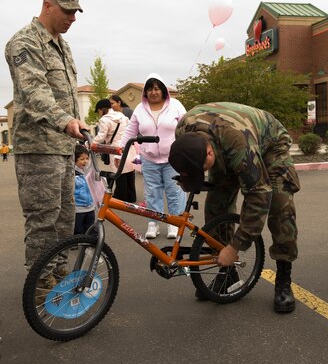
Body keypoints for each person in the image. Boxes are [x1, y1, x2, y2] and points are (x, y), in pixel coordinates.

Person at [168, 102, 300, 313]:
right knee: (215, 205)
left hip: (269, 144)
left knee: (279, 206)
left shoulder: (238, 143)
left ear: (209, 154)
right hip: (225, 143)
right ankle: (227, 275)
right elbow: (188, 161)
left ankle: (284, 277)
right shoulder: (184, 132)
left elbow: (258, 194)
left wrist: (235, 246)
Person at [5, 0, 87, 271]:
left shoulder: (62, 47)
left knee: (66, 218)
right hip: (38, 148)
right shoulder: (25, 41)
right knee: (43, 221)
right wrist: (66, 122)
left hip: (64, 147)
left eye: (76, 12)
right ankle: (40, 284)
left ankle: (58, 273)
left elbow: (67, 97)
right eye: (67, 10)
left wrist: (79, 127)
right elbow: (34, 91)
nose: (72, 18)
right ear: (47, 4)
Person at [120, 73, 186, 239]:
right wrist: (120, 149)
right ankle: (153, 223)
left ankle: (173, 223)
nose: (153, 92)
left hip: (173, 158)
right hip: (149, 158)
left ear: (163, 90)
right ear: (145, 92)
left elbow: (187, 126)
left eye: (157, 88)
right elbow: (130, 131)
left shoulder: (176, 105)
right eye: (150, 89)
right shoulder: (140, 109)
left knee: (174, 191)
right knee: (152, 192)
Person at [93, 99, 136, 202]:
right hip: (128, 147)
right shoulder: (122, 116)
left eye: (98, 111)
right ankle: (131, 197)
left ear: (101, 109)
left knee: (119, 173)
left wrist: (90, 143)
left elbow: (101, 137)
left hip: (115, 148)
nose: (99, 114)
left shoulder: (105, 120)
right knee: (129, 172)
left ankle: (121, 197)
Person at [74, 144, 96, 234]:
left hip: (90, 206)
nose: (85, 161)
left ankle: (90, 243)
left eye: (87, 158)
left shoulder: (88, 171)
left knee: (90, 227)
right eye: (81, 159)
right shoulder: (72, 174)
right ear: (74, 160)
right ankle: (76, 244)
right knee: (78, 229)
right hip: (78, 208)